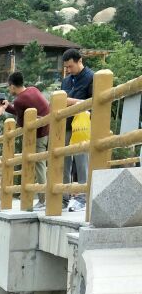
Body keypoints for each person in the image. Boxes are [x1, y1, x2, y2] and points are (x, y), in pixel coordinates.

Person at [0, 72, 50, 208]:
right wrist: (8, 106)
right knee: (44, 164)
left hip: (38, 135)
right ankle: (42, 197)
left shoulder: (19, 100)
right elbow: (23, 112)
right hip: (49, 130)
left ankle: (44, 200)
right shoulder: (33, 89)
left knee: (40, 166)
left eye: (9, 87)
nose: (9, 90)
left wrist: (7, 107)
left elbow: (21, 123)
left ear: (13, 86)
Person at [61, 48, 94, 213]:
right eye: (66, 67)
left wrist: (70, 101)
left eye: (70, 66)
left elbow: (95, 102)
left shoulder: (91, 77)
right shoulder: (66, 81)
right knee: (63, 162)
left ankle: (82, 197)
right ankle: (63, 197)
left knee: (82, 162)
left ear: (80, 61)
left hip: (83, 125)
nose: (68, 70)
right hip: (66, 126)